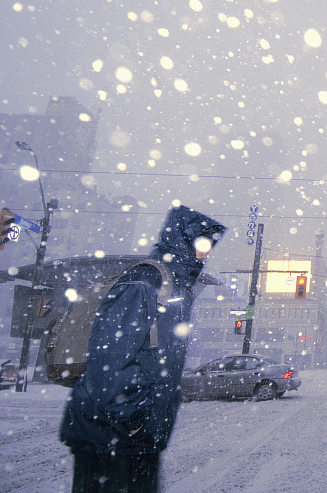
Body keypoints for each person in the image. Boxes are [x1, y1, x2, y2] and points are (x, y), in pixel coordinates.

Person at [60, 205, 226, 493]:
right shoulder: (146, 281)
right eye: (202, 243)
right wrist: (131, 417)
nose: (206, 252)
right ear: (182, 240)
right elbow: (110, 355)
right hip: (111, 435)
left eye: (210, 245)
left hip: (135, 437)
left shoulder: (177, 286)